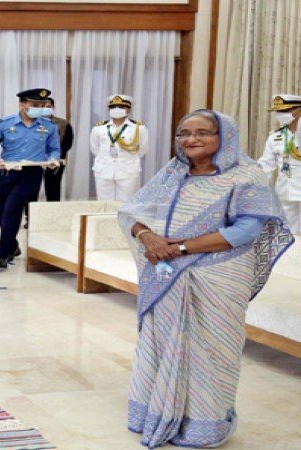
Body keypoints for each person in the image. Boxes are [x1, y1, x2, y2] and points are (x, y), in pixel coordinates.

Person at [118, 110, 293, 448]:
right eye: (184, 133)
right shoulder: (173, 171)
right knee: (158, 344)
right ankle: (153, 413)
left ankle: (202, 423)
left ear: (223, 136)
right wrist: (147, 236)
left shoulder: (246, 175)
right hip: (167, 273)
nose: (191, 139)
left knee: (213, 349)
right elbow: (130, 211)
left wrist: (180, 247)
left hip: (218, 275)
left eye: (203, 132)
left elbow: (246, 229)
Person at [0, 88, 61, 268]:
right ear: (23, 104)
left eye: (42, 105)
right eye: (35, 105)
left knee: (12, 210)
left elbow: (54, 149)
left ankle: (1, 256)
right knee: (1, 213)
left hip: (31, 174)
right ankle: (12, 245)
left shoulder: (49, 127)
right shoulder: (4, 124)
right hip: (6, 172)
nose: (39, 108)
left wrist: (54, 159)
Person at [90, 94, 150, 202]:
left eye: (121, 107)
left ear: (128, 109)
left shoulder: (139, 128)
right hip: (104, 169)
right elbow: (95, 148)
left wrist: (128, 158)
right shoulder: (99, 128)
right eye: (113, 107)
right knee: (104, 203)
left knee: (126, 203)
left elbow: (143, 149)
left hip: (127, 171)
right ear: (109, 110)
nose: (116, 109)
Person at [258, 94, 301, 234]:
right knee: (286, 233)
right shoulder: (275, 137)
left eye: (284, 111)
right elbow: (266, 165)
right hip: (285, 191)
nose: (279, 115)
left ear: (297, 111)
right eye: (278, 111)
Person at [40, 96, 74, 201]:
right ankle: (30, 214)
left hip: (55, 161)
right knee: (31, 190)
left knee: (53, 189)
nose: (46, 108)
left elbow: (67, 143)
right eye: (42, 106)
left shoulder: (63, 124)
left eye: (48, 106)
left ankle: (53, 213)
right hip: (33, 160)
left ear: (53, 107)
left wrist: (55, 156)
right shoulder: (30, 122)